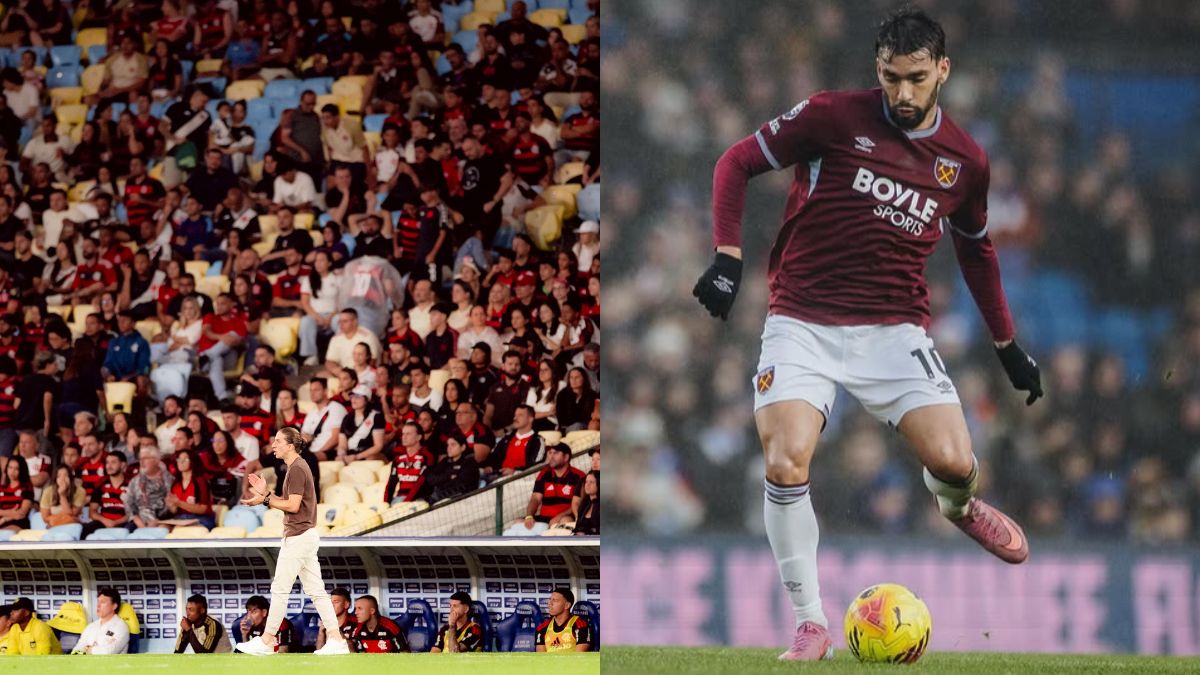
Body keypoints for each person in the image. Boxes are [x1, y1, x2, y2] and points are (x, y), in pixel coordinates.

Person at [690, 8, 1041, 660]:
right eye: (889, 78)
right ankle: (810, 621)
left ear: (943, 70)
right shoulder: (832, 115)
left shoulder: (965, 161)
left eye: (914, 78)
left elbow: (977, 250)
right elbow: (735, 162)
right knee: (785, 457)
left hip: (893, 330)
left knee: (957, 463)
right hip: (802, 320)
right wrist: (727, 256)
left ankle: (960, 507)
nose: (902, 94)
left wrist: (1005, 343)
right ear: (876, 71)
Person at [235, 427, 351, 655]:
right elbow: (287, 502)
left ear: (290, 446)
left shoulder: (297, 468)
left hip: (299, 537)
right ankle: (337, 639)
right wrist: (264, 497)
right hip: (304, 536)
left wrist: (266, 497)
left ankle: (267, 641)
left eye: (277, 441)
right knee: (316, 591)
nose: (273, 445)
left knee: (280, 589)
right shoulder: (295, 467)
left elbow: (293, 506)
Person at [519, 442, 584, 534]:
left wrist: (559, 516)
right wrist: (529, 516)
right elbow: (535, 499)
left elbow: (579, 503)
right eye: (550, 453)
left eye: (556, 453)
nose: (551, 456)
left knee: (566, 521)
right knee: (518, 522)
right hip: (544, 517)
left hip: (564, 517)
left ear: (566, 457)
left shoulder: (579, 476)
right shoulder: (544, 474)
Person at [81, 451, 130, 539]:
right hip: (103, 522)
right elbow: (92, 512)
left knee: (132, 530)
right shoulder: (100, 484)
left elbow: (134, 512)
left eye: (113, 462)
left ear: (123, 465)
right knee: (84, 529)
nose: (109, 466)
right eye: (107, 462)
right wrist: (105, 521)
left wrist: (116, 522)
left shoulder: (131, 484)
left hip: (124, 522)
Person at [125, 446, 173, 529]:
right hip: (139, 522)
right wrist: (142, 526)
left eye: (146, 458)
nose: (142, 462)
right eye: (140, 459)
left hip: (162, 521)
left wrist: (157, 521)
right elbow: (129, 506)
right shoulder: (135, 481)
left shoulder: (169, 480)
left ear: (156, 460)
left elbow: (171, 507)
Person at [384, 421, 433, 504]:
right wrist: (385, 504)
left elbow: (420, 483)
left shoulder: (427, 457)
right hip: (399, 499)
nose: (404, 437)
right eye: (403, 434)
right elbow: (391, 483)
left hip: (419, 499)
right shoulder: (398, 459)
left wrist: (406, 502)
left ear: (419, 437)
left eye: (408, 434)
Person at [300, 377, 347, 461]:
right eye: (311, 390)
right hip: (311, 451)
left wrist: (318, 452)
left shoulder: (336, 408)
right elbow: (303, 437)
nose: (312, 393)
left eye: (316, 390)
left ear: (325, 391)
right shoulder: (311, 413)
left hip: (328, 451)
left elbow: (336, 438)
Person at [72, 587, 130, 654]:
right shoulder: (91, 626)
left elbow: (109, 652)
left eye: (103, 602)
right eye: (98, 602)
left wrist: (90, 650)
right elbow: (76, 651)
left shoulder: (121, 627)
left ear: (114, 606)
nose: (98, 605)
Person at [535, 588, 591, 652]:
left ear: (567, 605)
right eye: (550, 599)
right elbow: (541, 658)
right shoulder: (542, 628)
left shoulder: (580, 625)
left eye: (555, 600)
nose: (549, 604)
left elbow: (580, 656)